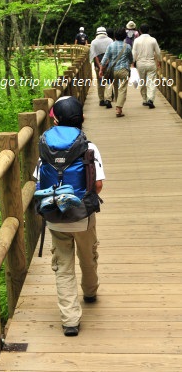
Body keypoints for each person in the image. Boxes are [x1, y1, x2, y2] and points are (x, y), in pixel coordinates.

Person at [34, 96, 105, 336]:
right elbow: (98, 186)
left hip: (54, 216)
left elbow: (38, 179)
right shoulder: (89, 147)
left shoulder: (46, 146)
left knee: (63, 267)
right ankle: (90, 291)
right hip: (83, 216)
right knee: (88, 256)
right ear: (82, 119)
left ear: (54, 120)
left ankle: (70, 321)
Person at [99, 28, 133, 118]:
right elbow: (131, 59)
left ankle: (119, 108)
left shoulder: (110, 46)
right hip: (123, 70)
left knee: (116, 88)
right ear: (124, 37)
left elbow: (105, 59)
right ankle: (118, 109)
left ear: (115, 36)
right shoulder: (128, 46)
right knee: (122, 89)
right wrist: (129, 64)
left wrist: (101, 70)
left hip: (112, 70)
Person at [132, 23, 162, 108]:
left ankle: (144, 100)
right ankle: (150, 99)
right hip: (151, 63)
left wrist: (132, 63)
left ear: (140, 31)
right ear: (149, 30)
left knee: (142, 82)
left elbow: (134, 53)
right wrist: (159, 61)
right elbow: (158, 52)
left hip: (140, 64)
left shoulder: (137, 40)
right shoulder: (153, 40)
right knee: (151, 82)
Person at [89, 26, 113, 108]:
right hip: (108, 65)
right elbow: (111, 54)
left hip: (98, 65)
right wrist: (106, 63)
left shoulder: (94, 42)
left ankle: (101, 100)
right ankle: (108, 99)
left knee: (100, 82)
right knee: (109, 81)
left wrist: (100, 66)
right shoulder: (110, 40)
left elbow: (94, 55)